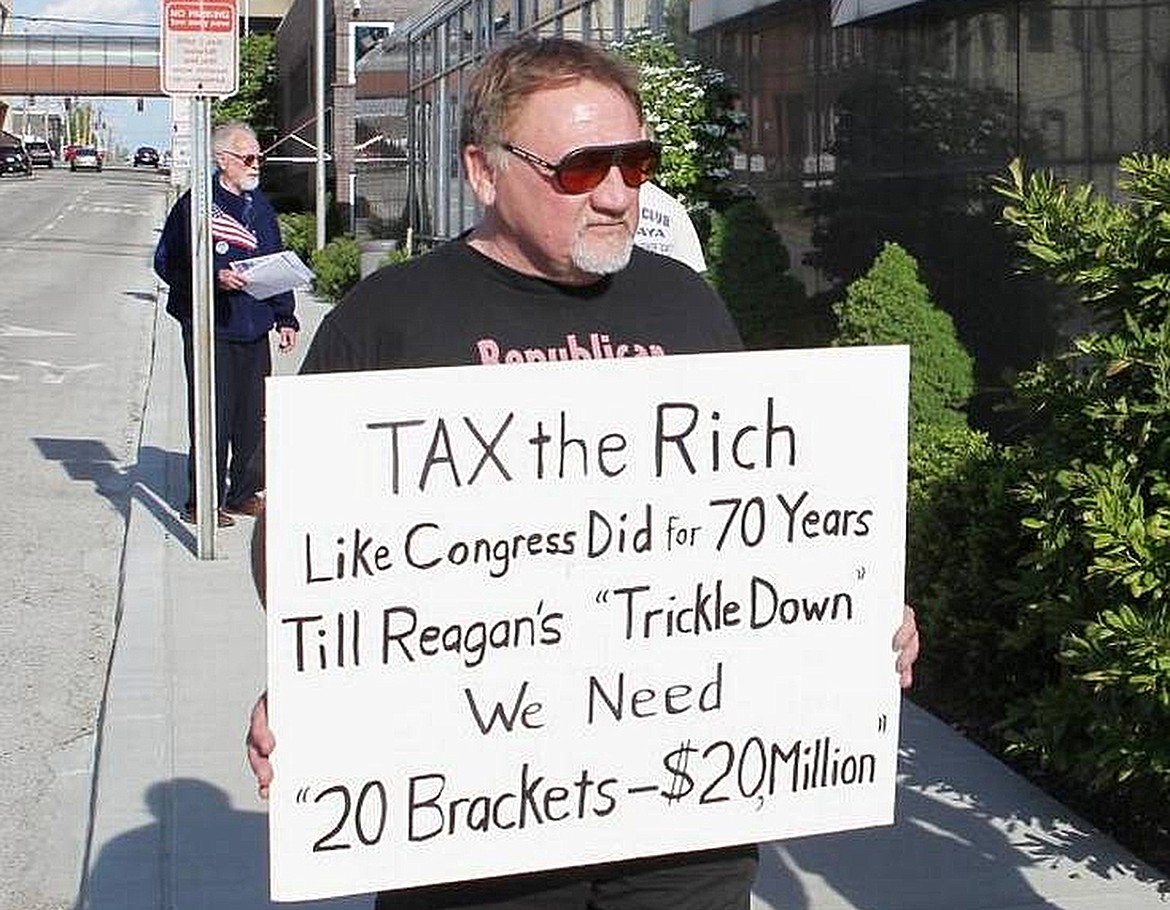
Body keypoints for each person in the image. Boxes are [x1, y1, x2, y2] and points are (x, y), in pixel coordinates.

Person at [246, 37, 920, 910]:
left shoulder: (686, 304)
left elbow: (752, 520)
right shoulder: (389, 322)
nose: (616, 195)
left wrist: (854, 609)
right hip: (468, 823)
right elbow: (303, 546)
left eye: (636, 163)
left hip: (685, 817)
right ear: (484, 172)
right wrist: (314, 681)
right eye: (581, 169)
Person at [153, 120, 299, 527]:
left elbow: (275, 260)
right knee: (213, 414)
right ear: (223, 159)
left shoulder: (260, 207)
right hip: (209, 326)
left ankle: (244, 492)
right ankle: (203, 500)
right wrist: (213, 278)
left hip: (253, 325)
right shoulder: (195, 205)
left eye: (259, 157)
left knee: (252, 415)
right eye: (248, 158)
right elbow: (167, 261)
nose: (257, 165)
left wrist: (285, 315)